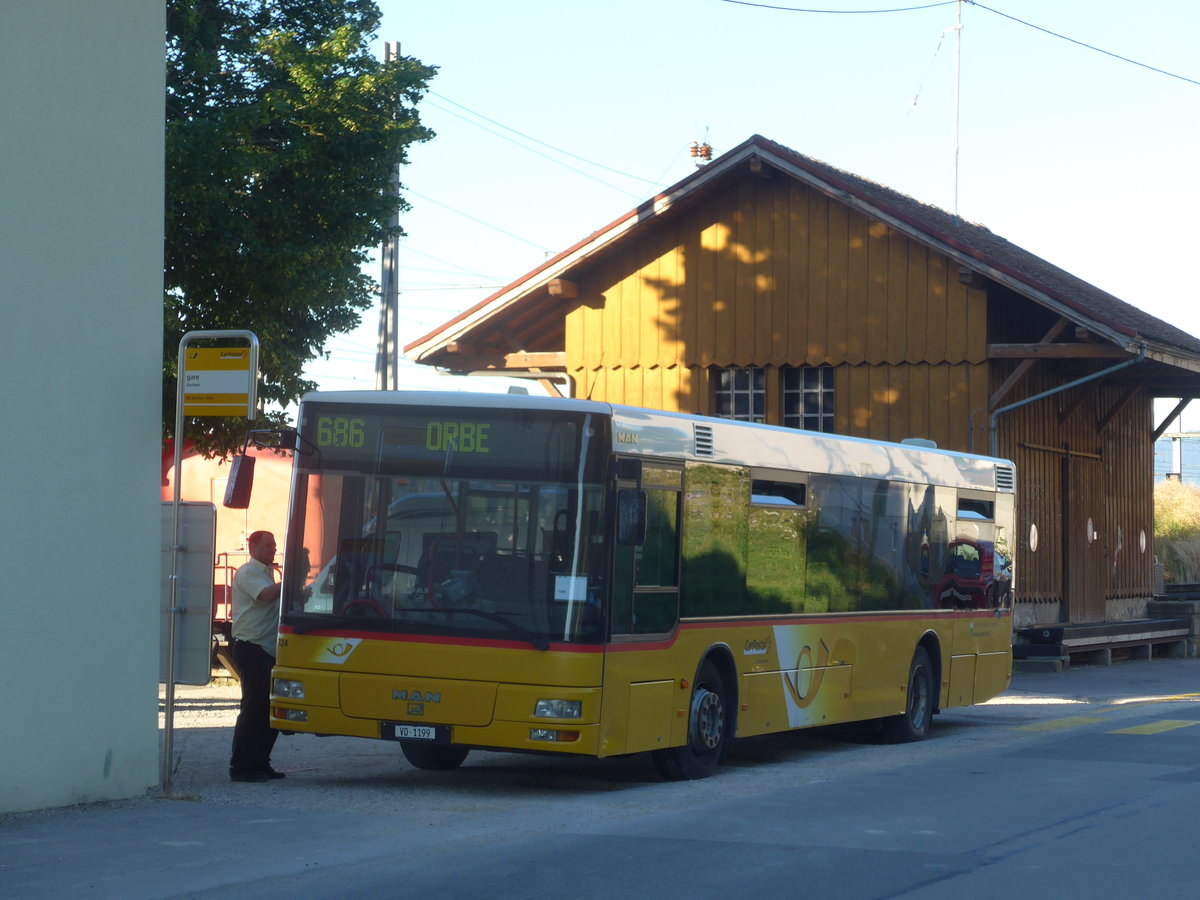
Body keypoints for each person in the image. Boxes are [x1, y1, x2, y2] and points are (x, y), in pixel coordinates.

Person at [229, 530, 284, 782]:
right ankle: (240, 766)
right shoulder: (248, 572)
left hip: (269, 647)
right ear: (253, 547)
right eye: (269, 545)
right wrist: (290, 582)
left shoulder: (268, 573)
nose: (273, 549)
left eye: (274, 545)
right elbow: (266, 596)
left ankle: (261, 762)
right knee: (253, 707)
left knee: (269, 707)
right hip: (252, 647)